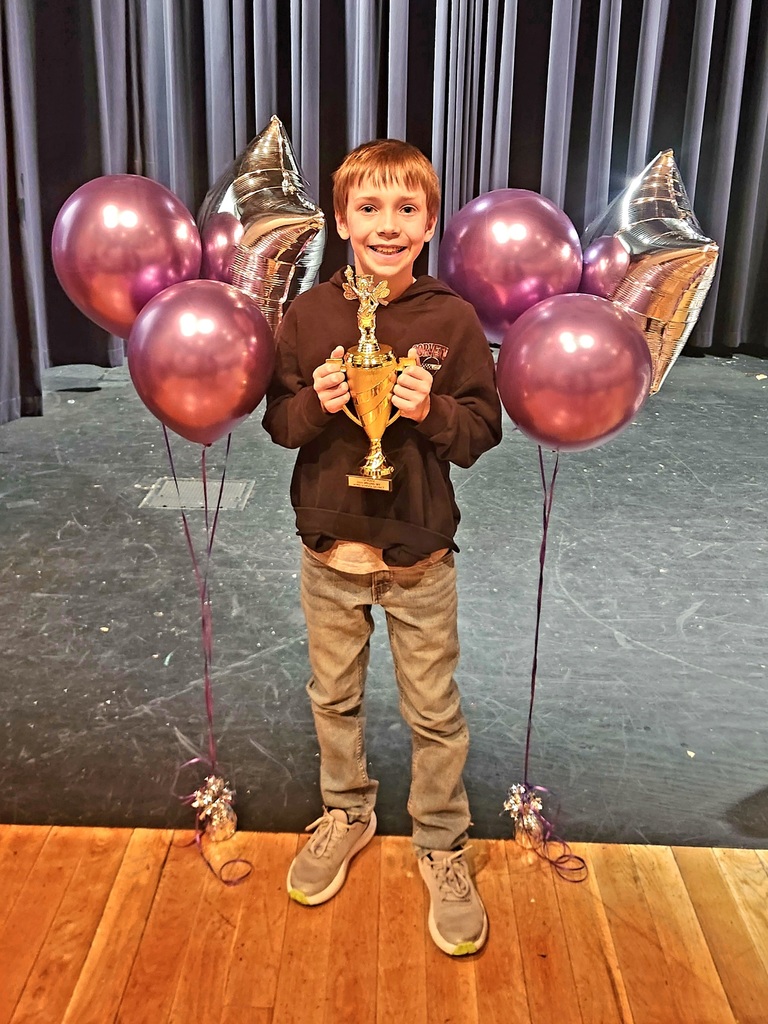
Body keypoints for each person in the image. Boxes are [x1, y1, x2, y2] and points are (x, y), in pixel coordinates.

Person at [262, 139, 502, 956]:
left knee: (434, 710)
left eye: (406, 210)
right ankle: (347, 811)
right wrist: (320, 404)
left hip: (418, 556)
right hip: (330, 552)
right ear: (341, 219)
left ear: (430, 223)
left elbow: (479, 434)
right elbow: (279, 422)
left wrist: (432, 408)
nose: (387, 226)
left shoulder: (452, 319)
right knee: (332, 697)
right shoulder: (309, 316)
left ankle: (441, 843)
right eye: (369, 208)